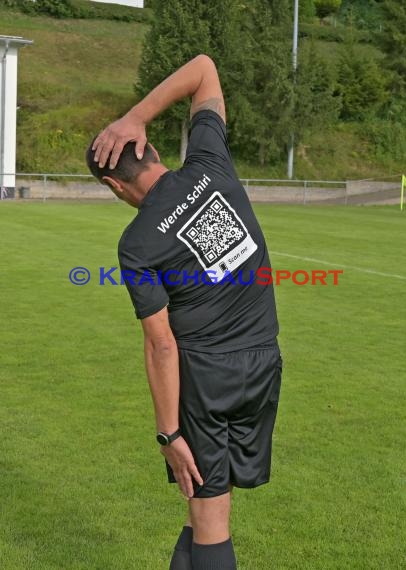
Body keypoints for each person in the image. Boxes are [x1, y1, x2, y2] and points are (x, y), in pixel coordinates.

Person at [86, 55, 282, 570]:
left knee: (211, 519)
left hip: (207, 380)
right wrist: (137, 113)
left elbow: (162, 344)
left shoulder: (138, 243)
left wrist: (169, 434)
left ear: (113, 186)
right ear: (150, 148)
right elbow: (205, 69)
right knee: (203, 513)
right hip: (263, 364)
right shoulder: (210, 165)